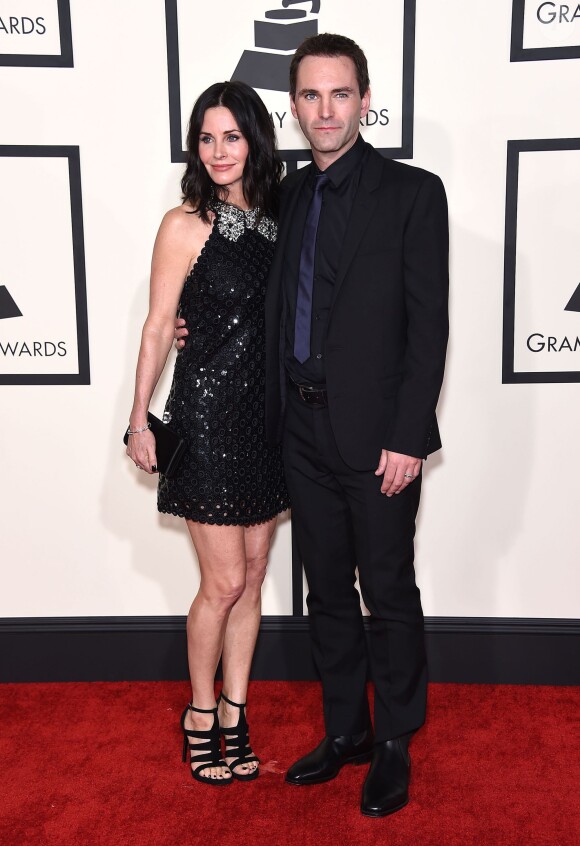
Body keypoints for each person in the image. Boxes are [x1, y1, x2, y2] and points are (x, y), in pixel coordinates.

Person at [177, 33, 448, 815]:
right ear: (293, 107)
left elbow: (430, 328)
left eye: (339, 94)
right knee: (326, 591)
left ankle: (394, 741)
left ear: (365, 101)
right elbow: (237, 291)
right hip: (295, 431)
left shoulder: (413, 193)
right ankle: (345, 732)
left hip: (378, 440)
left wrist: (408, 434)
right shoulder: (284, 199)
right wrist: (194, 325)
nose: (324, 110)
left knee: (386, 589)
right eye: (309, 96)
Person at [126, 80, 288, 786]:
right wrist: (138, 419)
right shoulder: (183, 223)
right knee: (220, 581)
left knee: (253, 577)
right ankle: (198, 712)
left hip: (269, 423)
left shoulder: (283, 220)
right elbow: (161, 324)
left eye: (231, 136)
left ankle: (234, 710)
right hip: (209, 418)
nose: (218, 151)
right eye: (206, 137)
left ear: (254, 139)